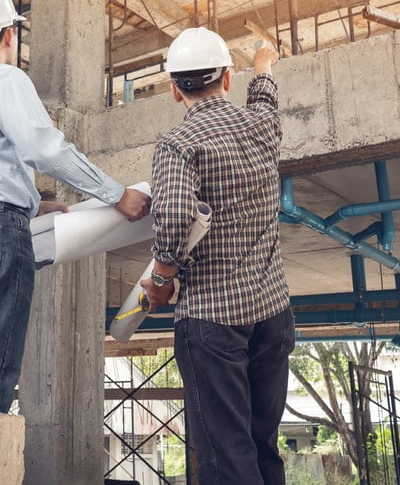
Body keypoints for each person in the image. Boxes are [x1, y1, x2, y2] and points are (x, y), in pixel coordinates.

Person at [0, 0, 151, 413]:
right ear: (9, 34)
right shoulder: (4, 79)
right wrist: (117, 194)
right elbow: (43, 148)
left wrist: (29, 202)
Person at [141, 27, 293, 484]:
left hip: (212, 323)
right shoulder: (262, 126)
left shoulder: (177, 145)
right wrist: (264, 62)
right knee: (263, 446)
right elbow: (265, 96)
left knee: (225, 459)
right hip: (272, 313)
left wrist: (162, 280)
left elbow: (174, 218)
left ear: (174, 90)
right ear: (227, 79)